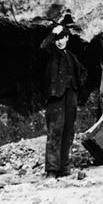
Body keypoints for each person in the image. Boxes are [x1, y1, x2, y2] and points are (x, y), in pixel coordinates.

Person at [40, 14, 87, 178]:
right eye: (57, 39)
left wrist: (77, 90)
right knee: (55, 131)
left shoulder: (71, 56)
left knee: (68, 132)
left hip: (70, 96)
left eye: (62, 37)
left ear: (67, 38)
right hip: (56, 97)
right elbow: (44, 46)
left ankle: (64, 167)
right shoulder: (50, 53)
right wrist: (53, 32)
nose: (59, 41)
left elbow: (82, 73)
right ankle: (52, 170)